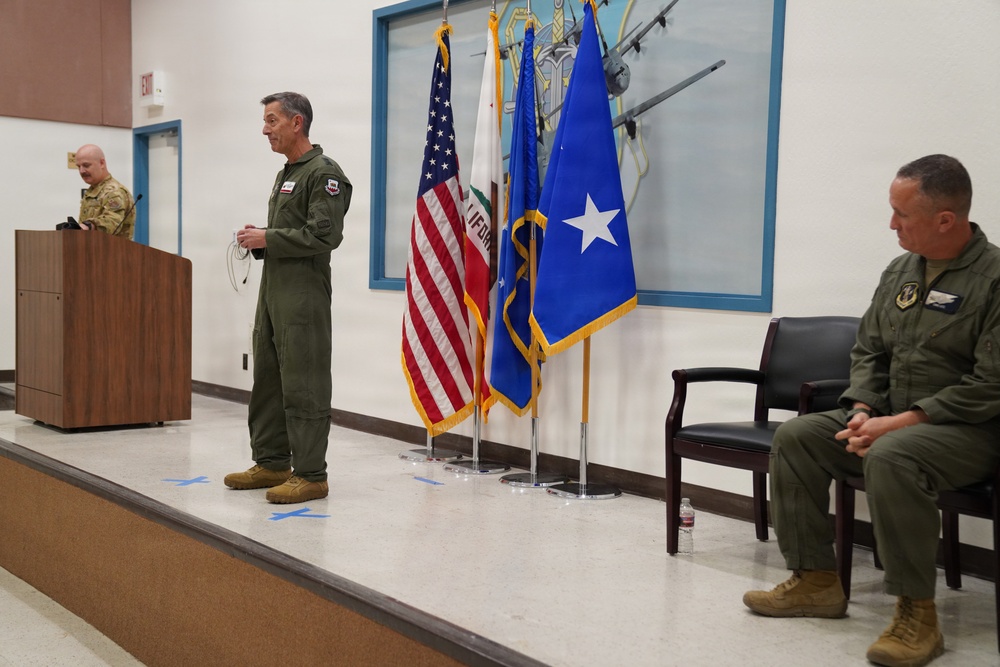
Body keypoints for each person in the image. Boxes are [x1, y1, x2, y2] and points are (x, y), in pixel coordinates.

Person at [743, 154, 1000, 667]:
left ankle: (916, 615)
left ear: (945, 219)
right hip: (891, 418)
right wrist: (862, 408)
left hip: (970, 431)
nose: (891, 224)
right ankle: (816, 580)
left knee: (893, 455)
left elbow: (990, 384)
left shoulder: (992, 279)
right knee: (798, 438)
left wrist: (898, 424)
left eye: (902, 214)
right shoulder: (900, 271)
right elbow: (870, 351)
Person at [224, 92, 352, 504]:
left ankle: (311, 475)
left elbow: (324, 235)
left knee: (303, 381)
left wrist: (269, 237)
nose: (265, 129)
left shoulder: (324, 172)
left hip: (303, 295)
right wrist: (260, 239)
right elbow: (291, 232)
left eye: (272, 120)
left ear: (297, 123)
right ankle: (273, 463)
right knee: (268, 379)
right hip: (273, 292)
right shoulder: (288, 173)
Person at [75, 144, 136, 239]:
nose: (81, 171)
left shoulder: (114, 191)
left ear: (102, 163)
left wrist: (90, 225)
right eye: (79, 166)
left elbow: (112, 220)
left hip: (113, 248)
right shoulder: (92, 190)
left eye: (86, 165)